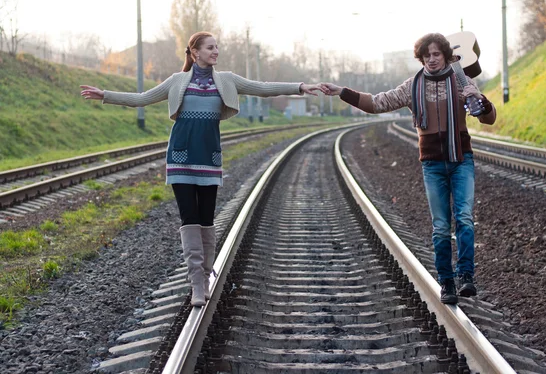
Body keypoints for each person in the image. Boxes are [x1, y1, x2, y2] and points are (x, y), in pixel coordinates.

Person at [81, 31, 322, 307]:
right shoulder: (177, 81)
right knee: (189, 220)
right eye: (210, 47)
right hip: (180, 158)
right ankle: (196, 282)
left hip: (209, 158)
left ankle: (206, 275)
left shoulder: (227, 80)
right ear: (195, 52)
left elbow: (263, 88)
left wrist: (300, 87)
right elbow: (142, 99)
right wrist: (105, 95)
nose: (216, 51)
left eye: (217, 47)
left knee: (207, 221)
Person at [320, 33, 496, 305]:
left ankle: (466, 277)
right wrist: (342, 91)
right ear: (421, 58)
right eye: (427, 56)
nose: (432, 59)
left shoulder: (462, 80)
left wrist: (481, 100)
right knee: (440, 227)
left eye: (436, 54)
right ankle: (447, 283)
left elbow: (488, 119)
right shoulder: (412, 86)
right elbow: (377, 103)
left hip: (462, 160)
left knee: (464, 218)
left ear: (447, 55)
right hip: (433, 165)